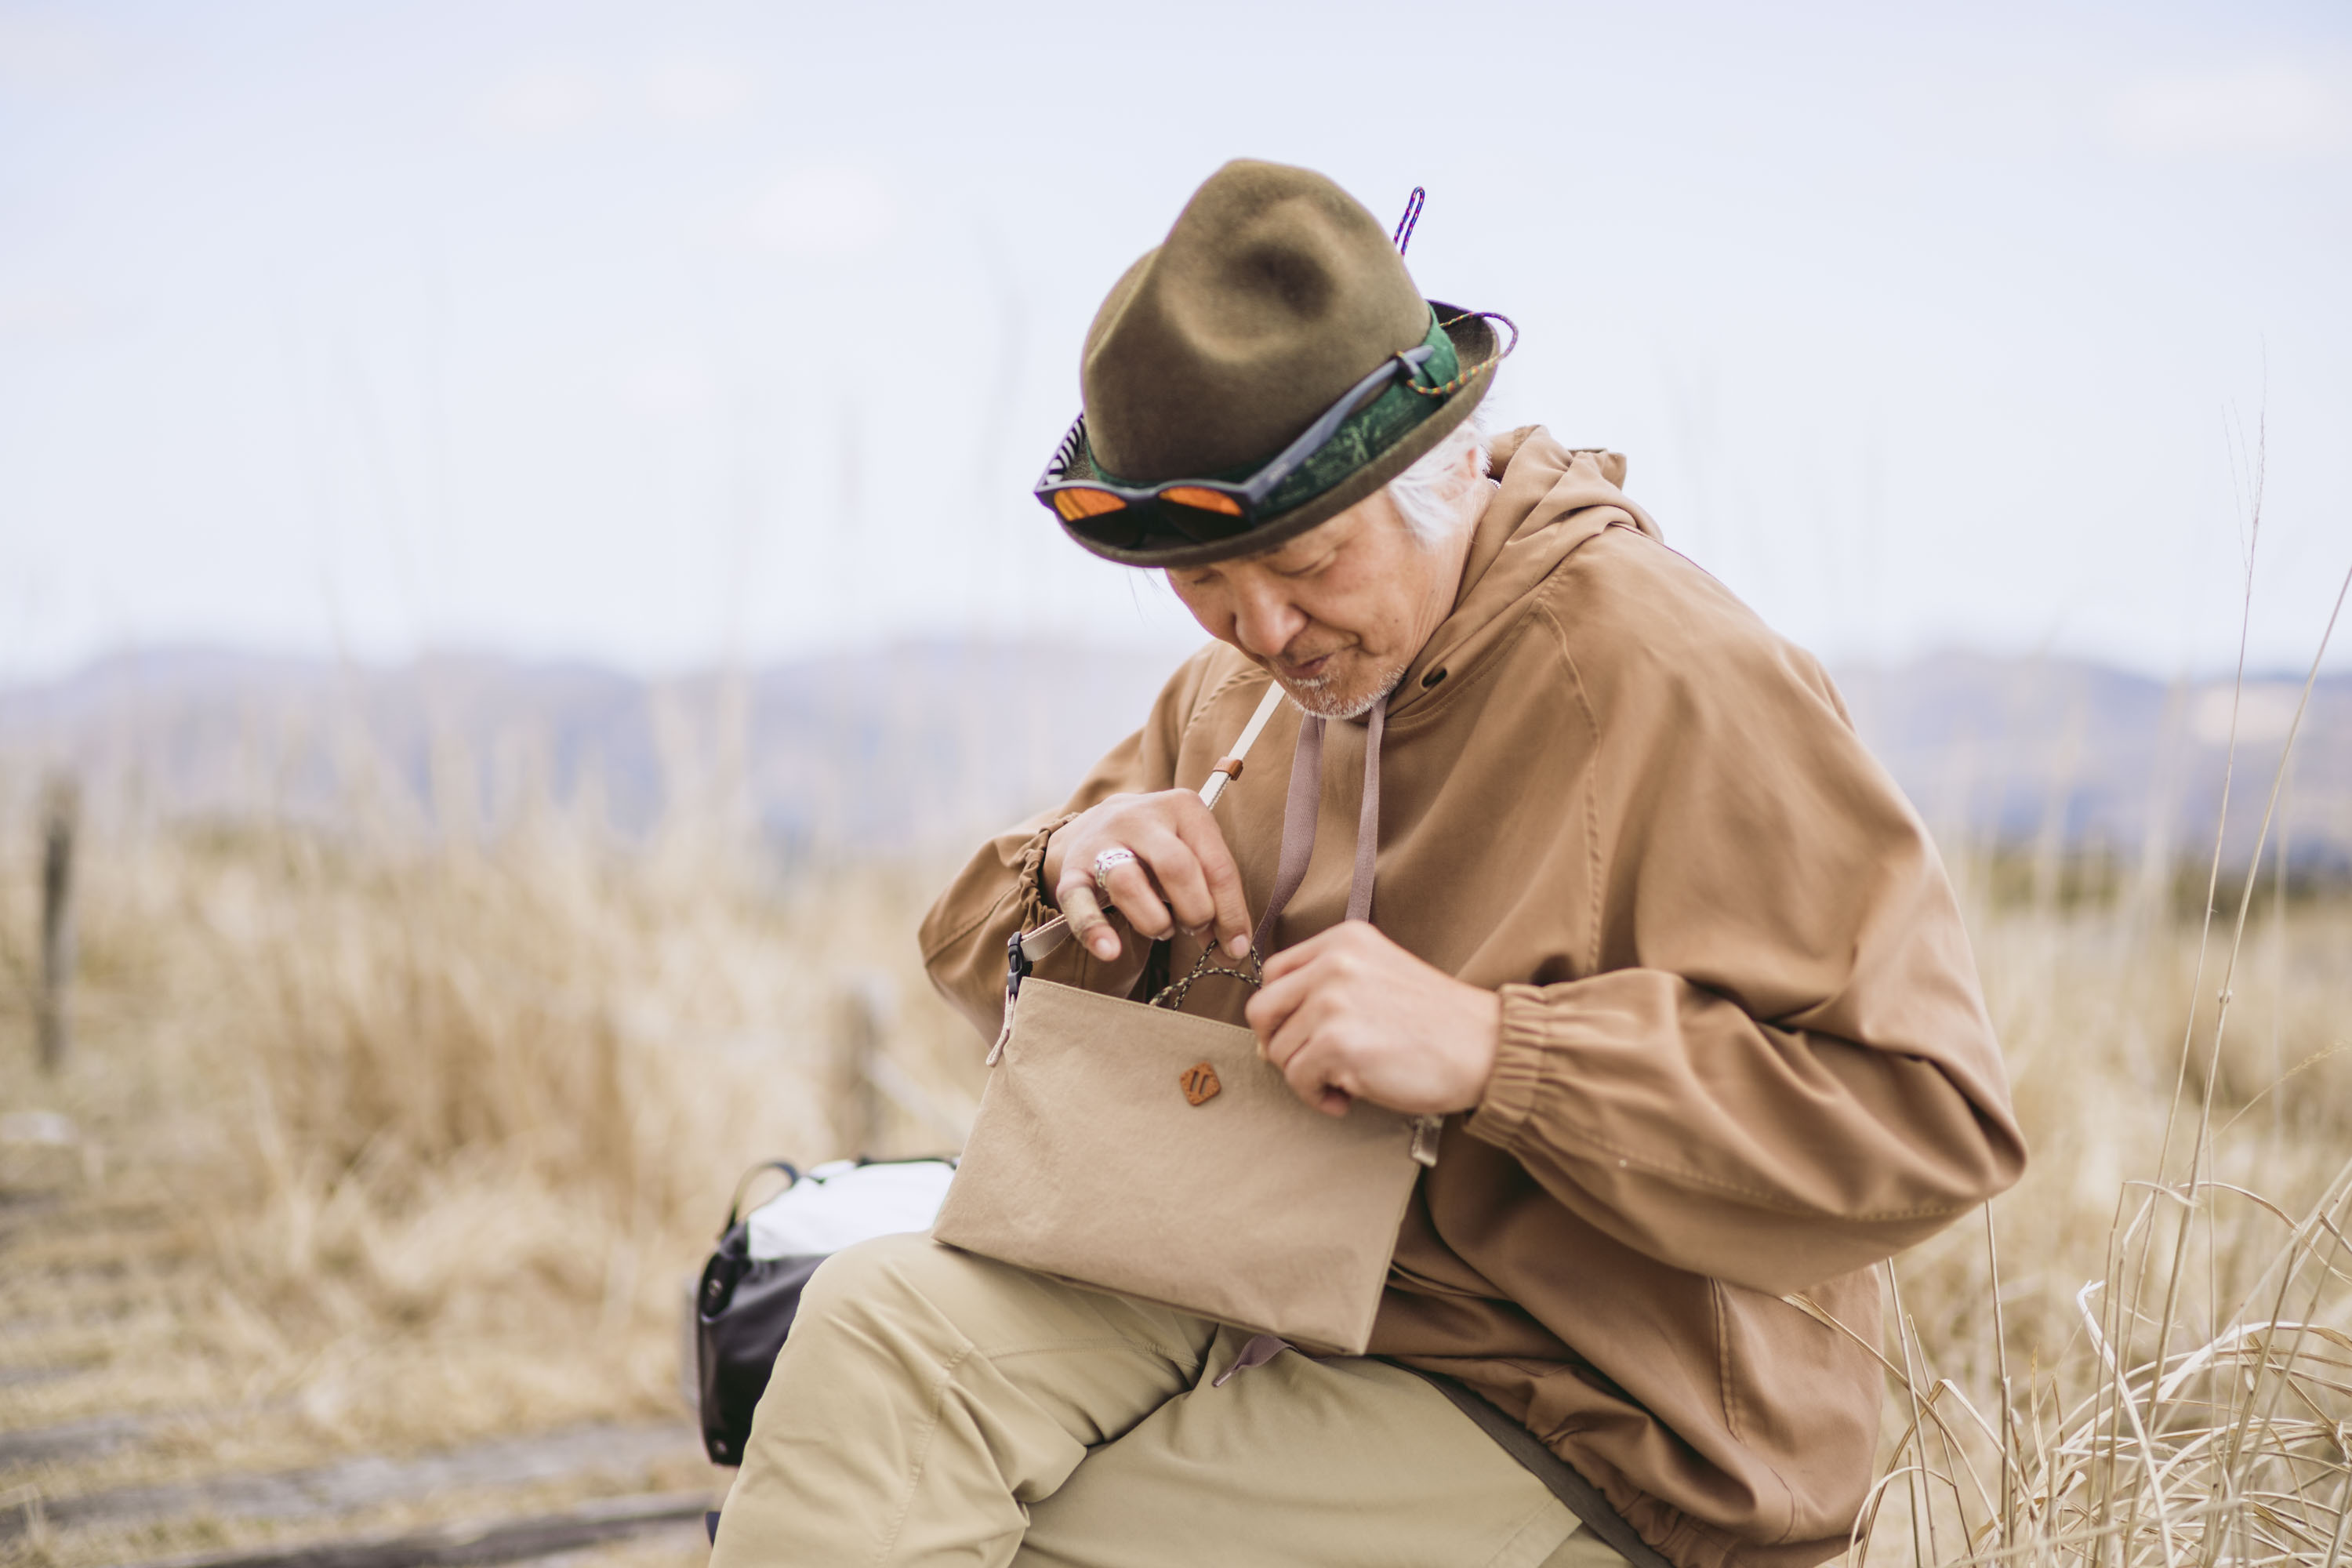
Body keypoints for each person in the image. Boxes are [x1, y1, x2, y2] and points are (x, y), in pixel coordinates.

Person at [709, 159, 2025, 1568]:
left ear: (1440, 470)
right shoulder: (1252, 685)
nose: (1262, 629)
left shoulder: (1669, 675)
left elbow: (1930, 1119)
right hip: (1230, 1265)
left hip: (1579, 1405)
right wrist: (1071, 874)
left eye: (1310, 566)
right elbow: (986, 964)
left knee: (1056, 1541)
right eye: (1208, 584)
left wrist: (1493, 1051)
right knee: (866, 1336)